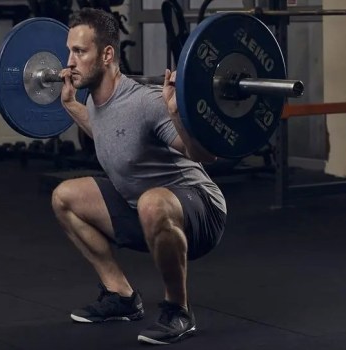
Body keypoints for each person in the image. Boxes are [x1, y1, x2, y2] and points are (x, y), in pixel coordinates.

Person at [52, 7, 227, 345]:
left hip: (201, 210)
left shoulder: (145, 102)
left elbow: (205, 155)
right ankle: (121, 296)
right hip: (143, 208)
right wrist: (70, 104)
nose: (69, 62)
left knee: (151, 202)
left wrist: (176, 114)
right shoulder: (97, 103)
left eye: (79, 51)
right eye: (69, 51)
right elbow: (110, 134)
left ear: (106, 55)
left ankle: (178, 311)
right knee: (65, 197)